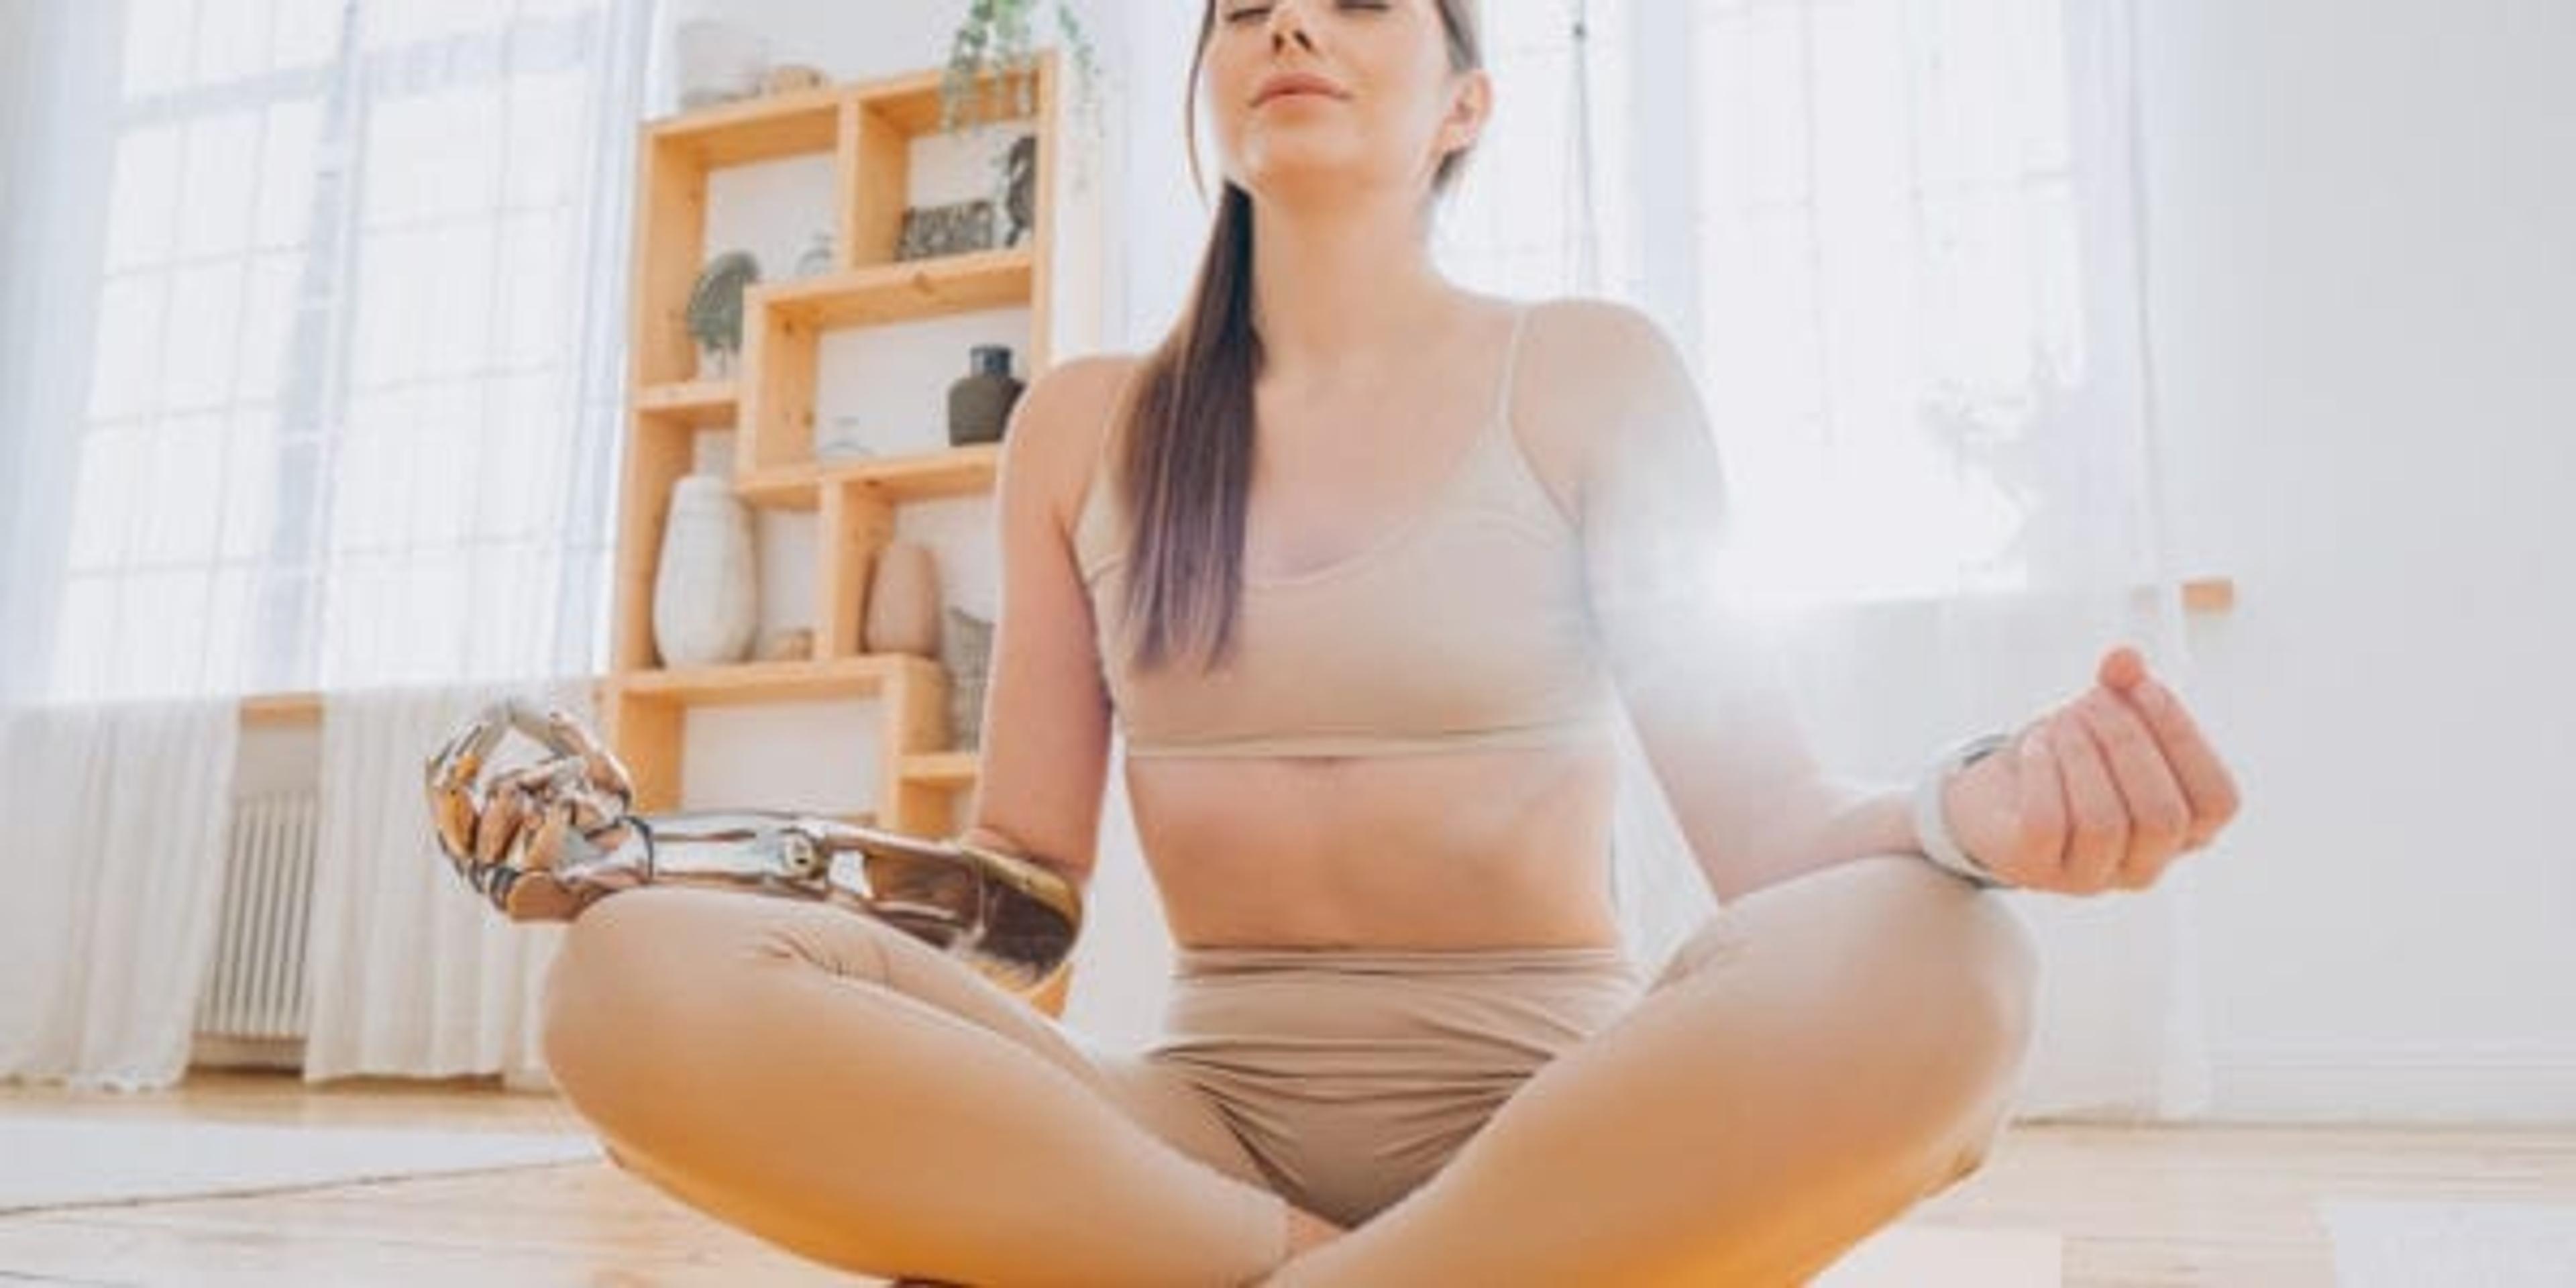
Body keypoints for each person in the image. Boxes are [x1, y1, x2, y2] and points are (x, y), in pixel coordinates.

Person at [495, 2, 2245, 1284]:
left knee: (1951, 969)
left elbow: (1774, 840)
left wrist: (1971, 818)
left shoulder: (1586, 374)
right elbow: (1020, 897)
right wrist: (672, 865)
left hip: (1564, 1120)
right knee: (629, 985)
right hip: (1191, 1147)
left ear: (1466, 99)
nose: (1289, 31)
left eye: (1353, 5)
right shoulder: (1084, 429)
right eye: (1247, 10)